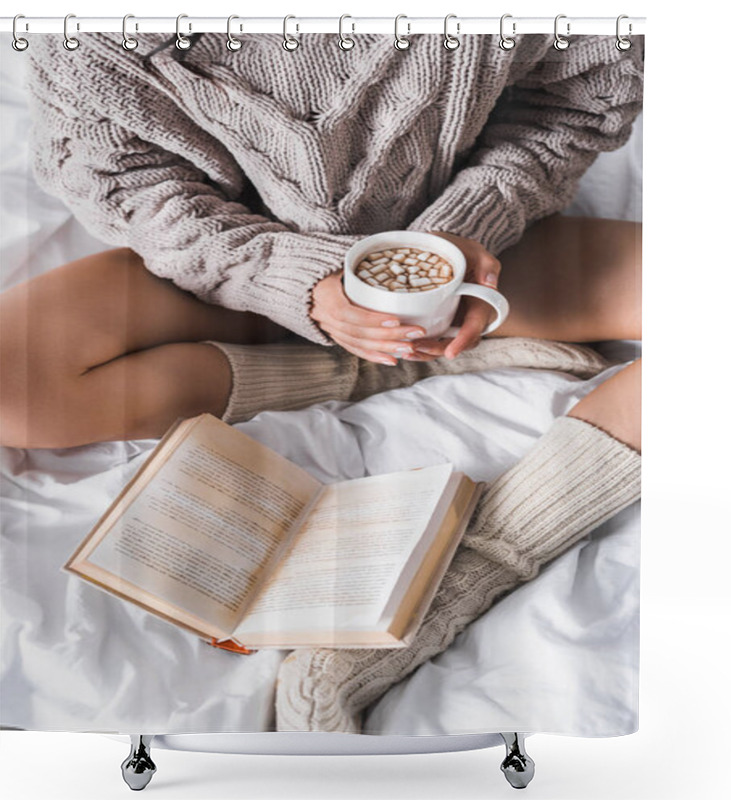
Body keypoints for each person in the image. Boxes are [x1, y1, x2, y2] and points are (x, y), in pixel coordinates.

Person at [0, 31, 643, 732]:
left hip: (459, 252)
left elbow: (583, 97)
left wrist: (471, 221)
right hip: (235, 268)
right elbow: (125, 183)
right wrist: (298, 283)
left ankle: (465, 580)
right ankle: (363, 364)